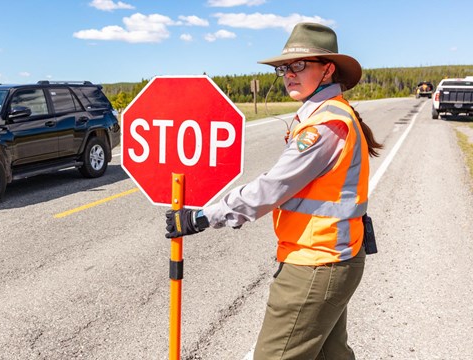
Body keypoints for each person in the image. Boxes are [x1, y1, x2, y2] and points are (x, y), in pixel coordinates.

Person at [164, 22, 383, 359]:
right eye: (284, 68)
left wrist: (202, 217)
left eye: (299, 65)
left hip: (315, 263)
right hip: (333, 258)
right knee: (331, 355)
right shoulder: (328, 113)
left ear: (327, 70)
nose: (288, 74)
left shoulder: (326, 124)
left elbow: (271, 188)